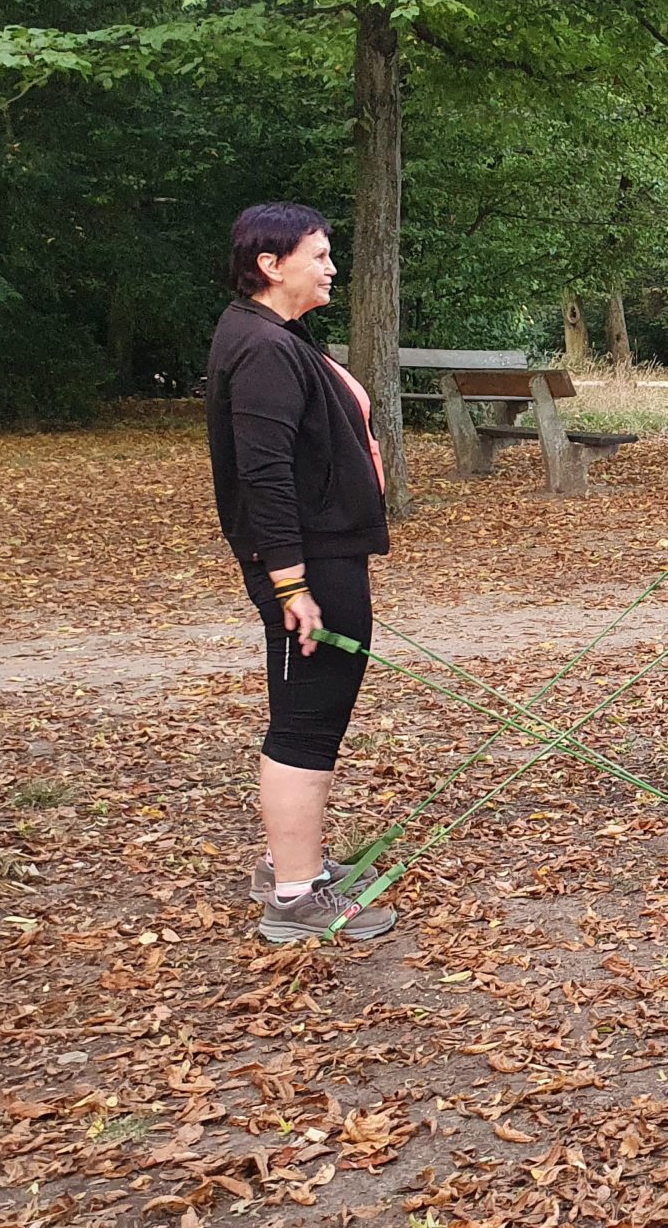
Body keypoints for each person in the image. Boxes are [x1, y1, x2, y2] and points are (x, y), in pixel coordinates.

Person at [206, 202, 397, 943]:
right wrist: (291, 584)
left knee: (315, 716)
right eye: (318, 255)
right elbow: (264, 475)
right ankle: (293, 895)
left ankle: (299, 865)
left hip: (327, 554)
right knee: (306, 723)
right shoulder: (260, 347)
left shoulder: (276, 336)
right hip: (306, 565)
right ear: (270, 264)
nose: (331, 267)